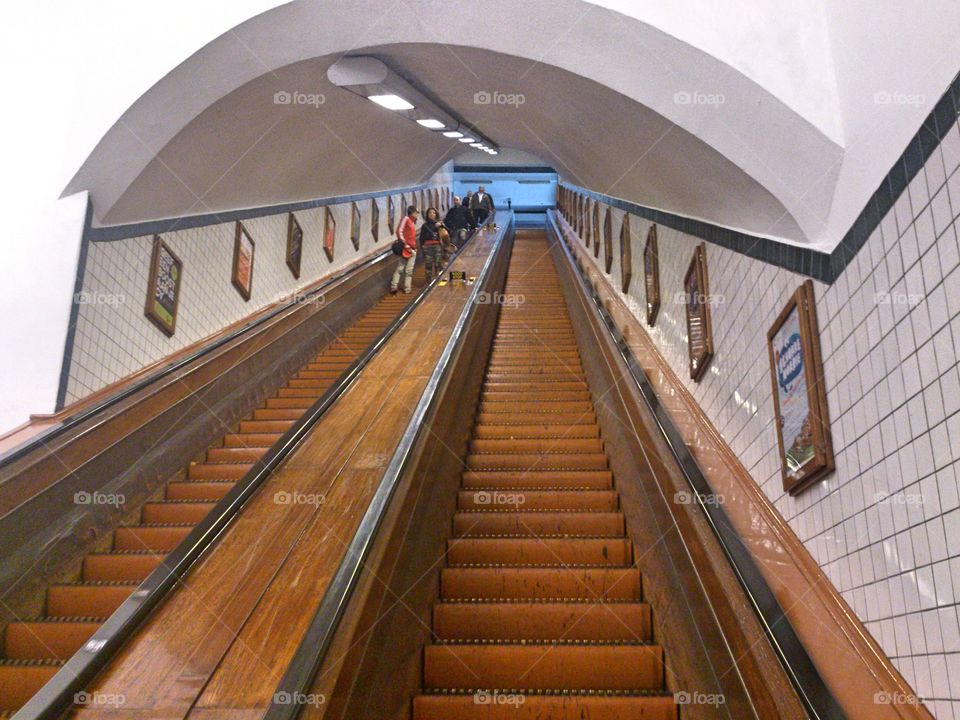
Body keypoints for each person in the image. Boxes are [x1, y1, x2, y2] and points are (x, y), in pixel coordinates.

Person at [390, 205, 419, 294]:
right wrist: (405, 244)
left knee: (409, 270)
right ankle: (394, 286)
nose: (418, 214)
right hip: (406, 249)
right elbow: (399, 231)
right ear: (412, 212)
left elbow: (411, 237)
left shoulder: (412, 222)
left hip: (412, 249)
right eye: (417, 212)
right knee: (400, 268)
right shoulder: (406, 219)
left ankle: (407, 288)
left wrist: (415, 248)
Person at [419, 207, 444, 282]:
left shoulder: (440, 224)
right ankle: (428, 282)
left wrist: (440, 225)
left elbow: (446, 233)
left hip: (437, 246)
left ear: (436, 214)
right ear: (427, 215)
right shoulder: (425, 225)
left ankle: (438, 280)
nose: (431, 214)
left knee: (438, 264)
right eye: (430, 213)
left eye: (433, 213)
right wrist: (422, 247)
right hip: (427, 246)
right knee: (428, 265)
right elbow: (421, 238)